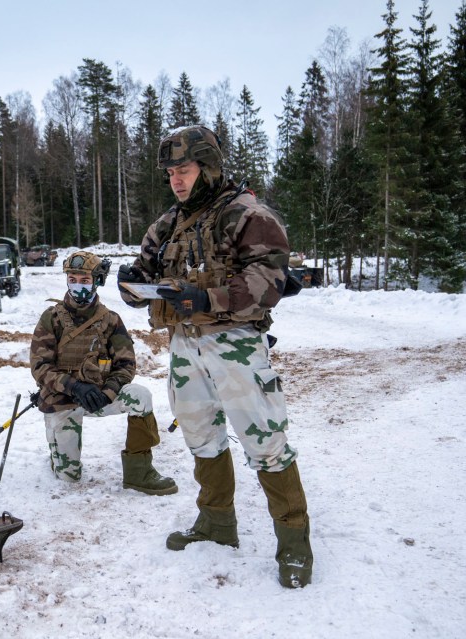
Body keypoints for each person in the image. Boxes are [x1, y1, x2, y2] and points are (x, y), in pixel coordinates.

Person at [117, 125, 313, 588]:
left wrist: (207, 300)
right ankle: (217, 524)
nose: (176, 181)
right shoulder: (167, 226)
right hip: (184, 345)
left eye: (183, 171)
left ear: (208, 166)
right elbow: (144, 274)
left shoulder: (247, 214)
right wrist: (131, 284)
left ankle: (294, 544)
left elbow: (267, 284)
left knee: (265, 440)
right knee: (200, 434)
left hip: (237, 343)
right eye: (170, 174)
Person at [29, 250, 177, 495]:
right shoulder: (51, 318)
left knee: (140, 396)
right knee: (69, 478)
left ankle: (139, 472)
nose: (78, 286)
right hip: (62, 400)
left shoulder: (110, 320)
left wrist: (108, 392)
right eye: (73, 279)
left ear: (97, 281)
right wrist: (74, 386)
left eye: (85, 280)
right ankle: (57, 451)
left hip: (98, 397)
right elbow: (40, 367)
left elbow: (126, 365)